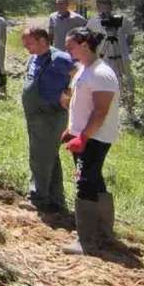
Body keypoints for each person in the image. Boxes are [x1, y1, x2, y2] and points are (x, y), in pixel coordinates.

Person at [61, 27, 121, 255]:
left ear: (85, 44)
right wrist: (71, 129)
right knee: (94, 179)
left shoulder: (101, 74)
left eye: (70, 46)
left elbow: (100, 112)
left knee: (84, 181)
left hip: (95, 137)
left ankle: (86, 241)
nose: (68, 50)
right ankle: (104, 232)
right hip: (84, 135)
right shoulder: (84, 69)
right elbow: (80, 104)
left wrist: (83, 137)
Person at [20, 27, 73, 214]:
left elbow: (78, 72)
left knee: (40, 158)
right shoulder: (34, 57)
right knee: (49, 157)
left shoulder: (59, 58)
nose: (26, 47)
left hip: (50, 116)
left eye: (29, 43)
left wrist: (68, 93)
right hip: (35, 116)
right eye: (24, 44)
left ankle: (38, 198)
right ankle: (56, 200)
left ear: (43, 40)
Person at [85, 0, 135, 112]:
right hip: (103, 56)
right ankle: (108, 107)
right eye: (101, 5)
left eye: (106, 4)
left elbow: (131, 33)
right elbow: (88, 36)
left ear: (111, 6)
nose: (104, 7)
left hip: (121, 55)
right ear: (97, 6)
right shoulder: (93, 21)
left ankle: (129, 106)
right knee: (104, 80)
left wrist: (126, 46)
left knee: (126, 79)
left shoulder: (121, 19)